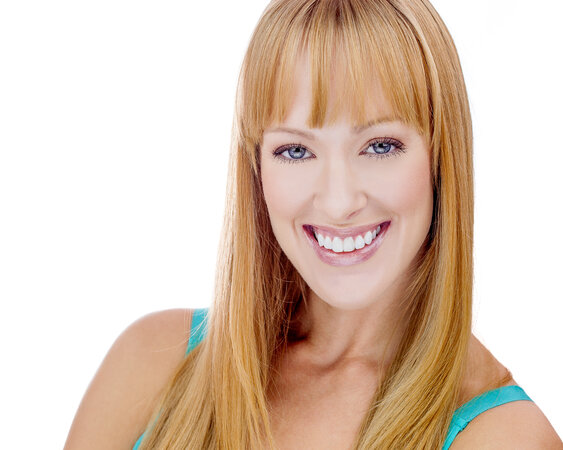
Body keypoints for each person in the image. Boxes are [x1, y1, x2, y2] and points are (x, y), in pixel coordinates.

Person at [64, 0, 562, 448]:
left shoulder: (505, 438)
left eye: (379, 146)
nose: (339, 202)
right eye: (296, 150)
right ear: (256, 167)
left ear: (439, 156)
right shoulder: (151, 360)